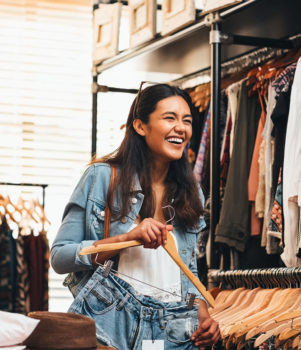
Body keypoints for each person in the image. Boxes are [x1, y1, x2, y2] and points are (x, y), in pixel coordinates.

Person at [51, 83, 220, 349]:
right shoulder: (102, 178)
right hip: (110, 322)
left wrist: (202, 314)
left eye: (187, 121)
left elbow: (188, 271)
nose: (181, 128)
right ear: (140, 126)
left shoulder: (191, 192)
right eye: (170, 118)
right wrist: (128, 238)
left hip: (174, 328)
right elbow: (60, 257)